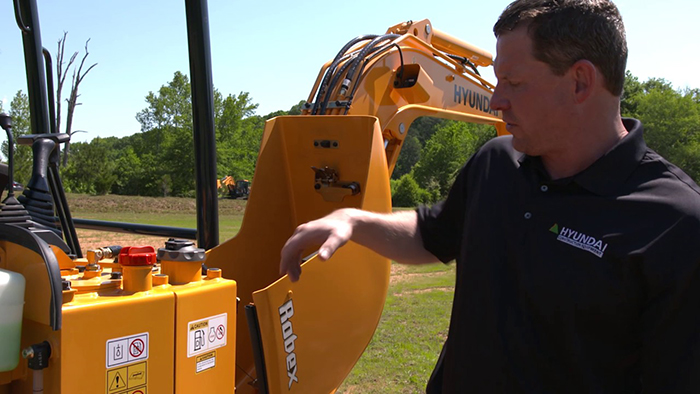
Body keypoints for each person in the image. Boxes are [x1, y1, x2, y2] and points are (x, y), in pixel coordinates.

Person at [280, 0, 700, 392]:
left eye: (514, 82)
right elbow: (433, 234)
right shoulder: (497, 162)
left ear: (581, 82)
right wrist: (355, 221)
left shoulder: (678, 223)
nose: (496, 100)